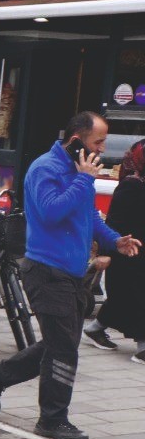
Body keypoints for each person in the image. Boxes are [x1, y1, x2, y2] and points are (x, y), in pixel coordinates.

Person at [0, 112, 141, 439]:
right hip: (45, 272)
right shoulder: (46, 170)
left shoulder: (78, 172)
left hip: (73, 274)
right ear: (76, 141)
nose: (103, 149)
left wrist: (116, 240)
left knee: (57, 344)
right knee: (65, 348)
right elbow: (51, 212)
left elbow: (89, 218)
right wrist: (83, 180)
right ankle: (52, 419)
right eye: (98, 142)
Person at [85, 142, 145, 364]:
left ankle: (95, 328)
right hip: (127, 253)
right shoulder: (131, 186)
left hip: (139, 254)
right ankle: (143, 347)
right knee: (137, 297)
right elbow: (114, 223)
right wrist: (106, 251)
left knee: (124, 298)